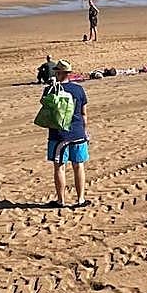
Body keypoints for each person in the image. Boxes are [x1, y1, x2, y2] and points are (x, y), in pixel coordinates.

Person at [46, 60, 89, 208]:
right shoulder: (79, 90)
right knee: (79, 166)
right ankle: (81, 199)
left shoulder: (50, 90)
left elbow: (46, 110)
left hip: (59, 135)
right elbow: (84, 114)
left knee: (59, 167)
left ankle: (61, 200)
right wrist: (85, 131)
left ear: (58, 73)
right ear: (69, 74)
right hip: (77, 132)